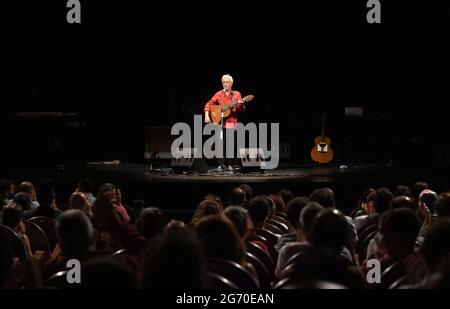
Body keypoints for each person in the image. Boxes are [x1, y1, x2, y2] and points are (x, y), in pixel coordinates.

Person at [204, 74, 246, 171]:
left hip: (231, 122)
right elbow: (209, 104)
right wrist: (207, 115)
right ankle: (221, 165)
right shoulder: (218, 94)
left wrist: (240, 104)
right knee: (219, 145)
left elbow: (241, 109)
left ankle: (230, 165)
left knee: (230, 144)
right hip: (220, 122)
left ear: (231, 83)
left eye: (227, 82)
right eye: (223, 82)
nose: (225, 84)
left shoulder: (236, 94)